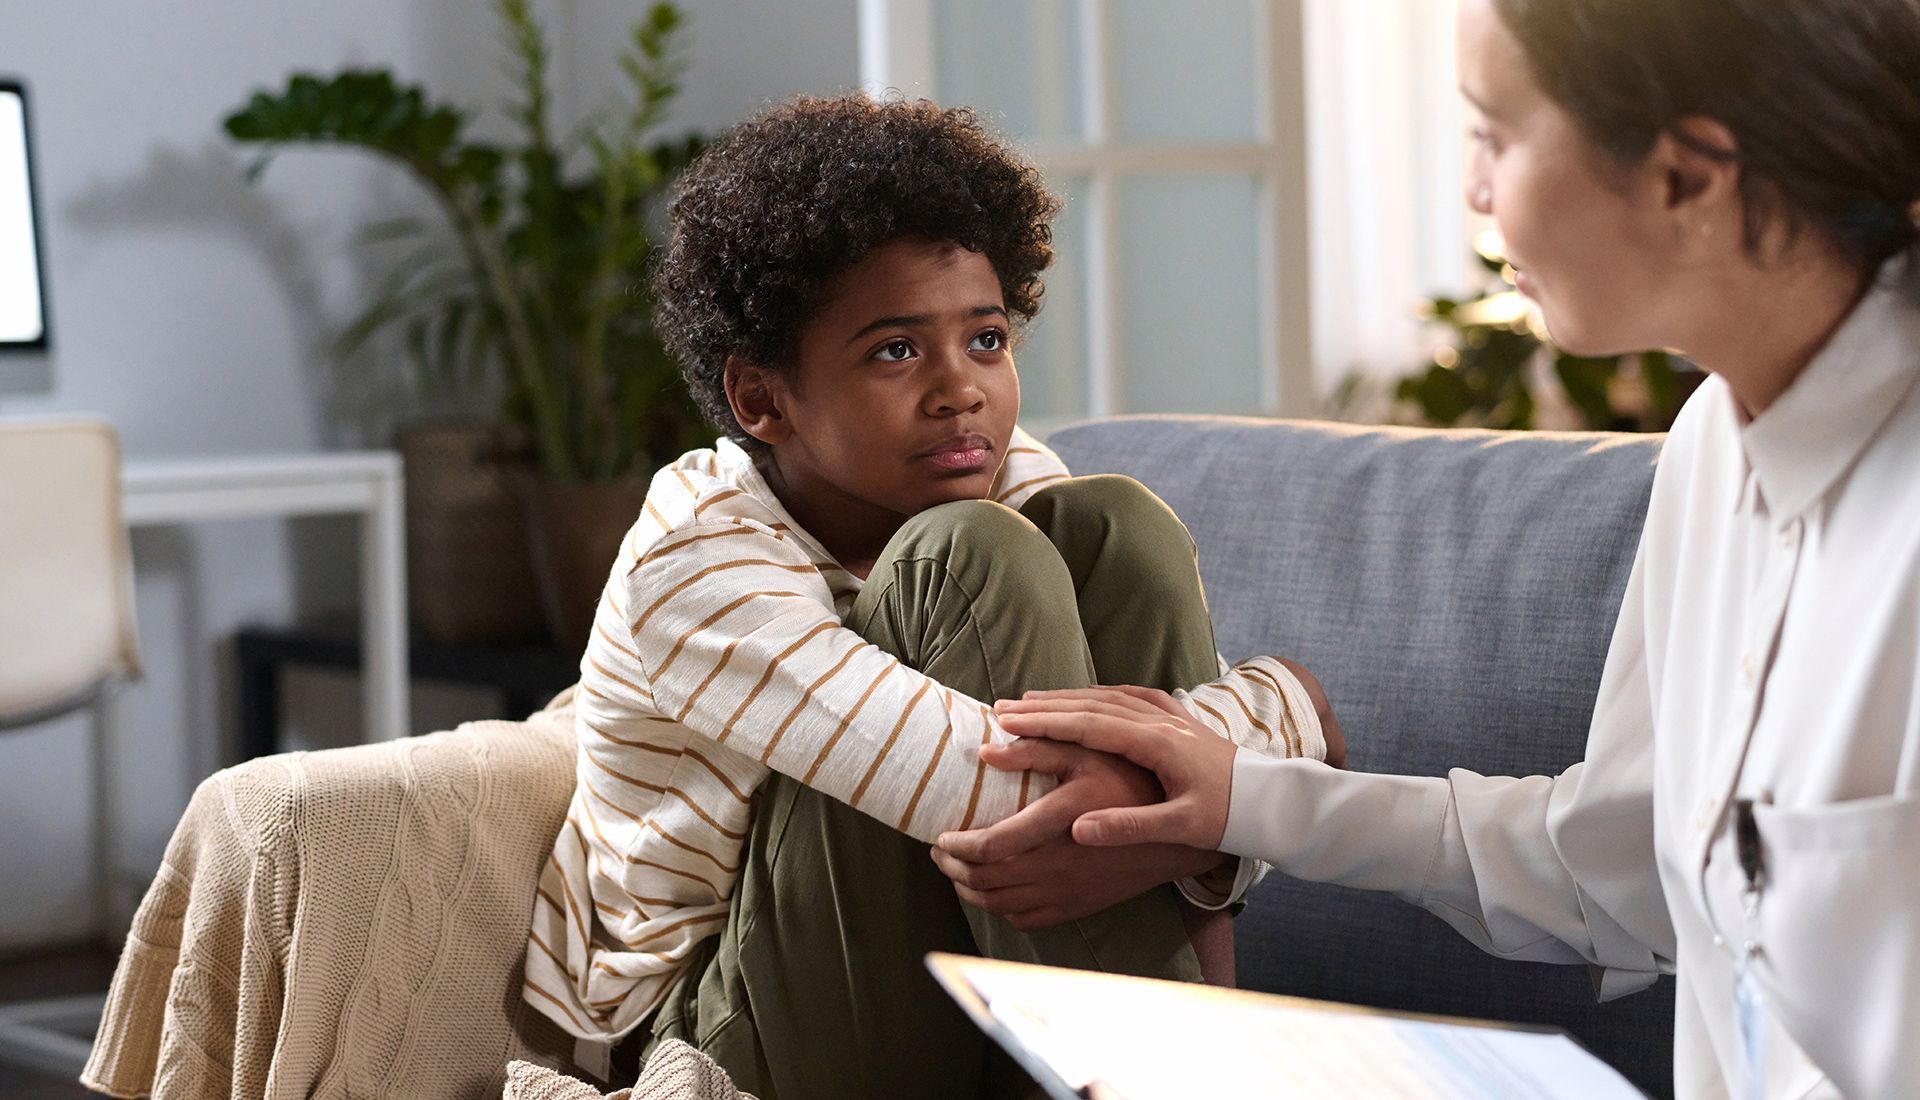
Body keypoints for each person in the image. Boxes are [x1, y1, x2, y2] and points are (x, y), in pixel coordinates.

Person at [934, 0, 1920, 1095]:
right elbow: (1624, 868)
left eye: (1494, 134)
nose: (1475, 191)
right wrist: (1244, 795)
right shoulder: (1715, 451)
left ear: (1689, 176)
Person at [518, 94, 1337, 1099]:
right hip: (724, 1019)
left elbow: (1152, 801)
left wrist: (1228, 792)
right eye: (896, 351)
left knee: (1117, 524)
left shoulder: (990, 467)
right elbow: (1009, 805)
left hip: (955, 972)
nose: (962, 389)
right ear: (760, 398)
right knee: (968, 553)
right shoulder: (696, 566)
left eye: (986, 339)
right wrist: (1291, 713)